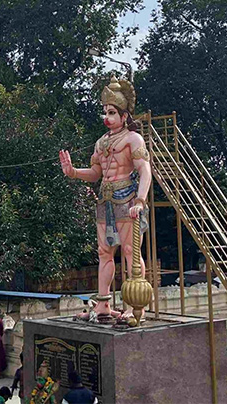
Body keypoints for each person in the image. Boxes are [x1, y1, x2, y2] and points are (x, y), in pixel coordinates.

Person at [59, 77, 152, 320]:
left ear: (124, 116)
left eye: (112, 112)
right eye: (105, 112)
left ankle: (134, 306)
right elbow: (95, 174)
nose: (107, 117)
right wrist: (73, 173)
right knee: (104, 253)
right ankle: (102, 304)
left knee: (131, 251)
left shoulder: (133, 139)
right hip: (105, 200)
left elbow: (145, 171)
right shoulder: (101, 142)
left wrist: (140, 201)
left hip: (128, 200)